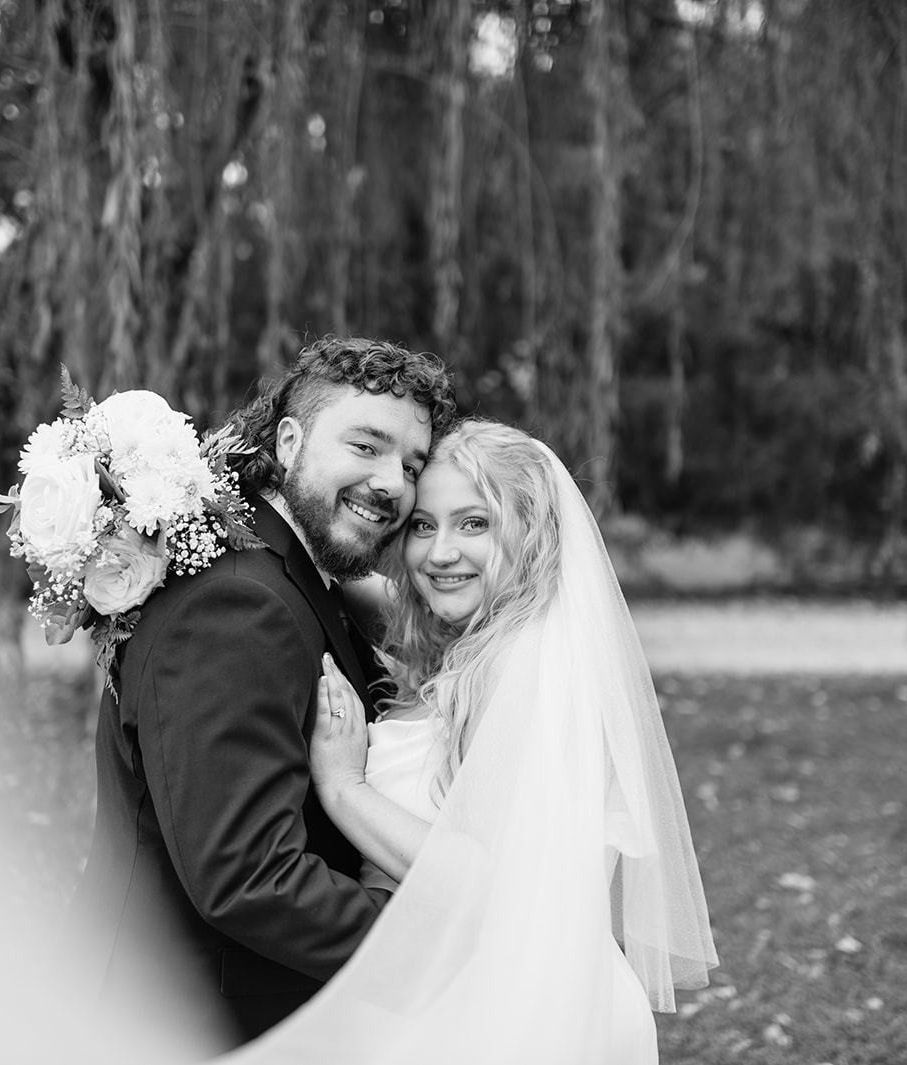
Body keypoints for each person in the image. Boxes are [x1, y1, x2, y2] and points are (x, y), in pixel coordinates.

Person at [225, 420, 720, 1063]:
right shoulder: (472, 640)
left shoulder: (524, 667)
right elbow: (336, 570)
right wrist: (189, 500)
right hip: (463, 990)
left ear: (531, 533)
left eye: (474, 523)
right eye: (423, 526)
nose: (439, 553)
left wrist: (344, 789)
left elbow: (488, 882)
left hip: (501, 1015)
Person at [66, 336, 458, 1049]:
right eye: (366, 446)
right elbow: (248, 873)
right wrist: (431, 951)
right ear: (289, 438)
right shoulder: (238, 604)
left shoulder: (283, 574)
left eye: (411, 464)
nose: (392, 483)